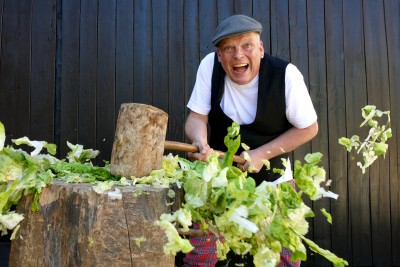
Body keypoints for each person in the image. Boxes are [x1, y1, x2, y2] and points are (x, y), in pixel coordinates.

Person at [182, 14, 318, 267]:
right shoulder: (209, 67)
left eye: (247, 45)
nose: (238, 55)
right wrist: (200, 141)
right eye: (229, 48)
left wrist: (262, 154)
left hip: (274, 183)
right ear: (220, 55)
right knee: (199, 257)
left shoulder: (286, 75)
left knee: (283, 259)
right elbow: (196, 117)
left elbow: (309, 128)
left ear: (261, 49)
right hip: (219, 180)